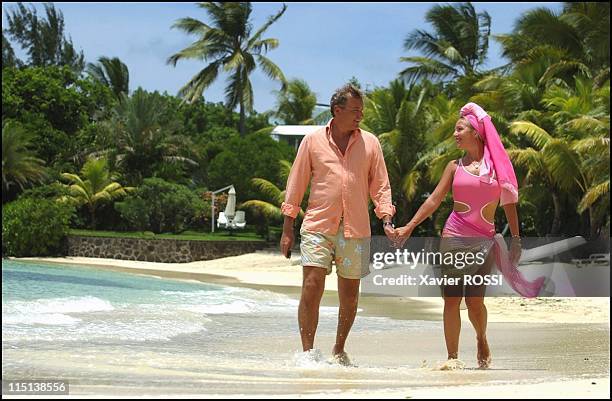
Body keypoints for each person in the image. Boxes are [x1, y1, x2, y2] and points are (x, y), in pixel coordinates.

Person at [394, 102, 544, 369]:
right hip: (453, 235)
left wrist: (517, 240)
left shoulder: (497, 168)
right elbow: (434, 201)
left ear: (475, 131)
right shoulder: (454, 166)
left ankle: (481, 337)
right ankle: (452, 359)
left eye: (459, 128)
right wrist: (410, 226)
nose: (455, 134)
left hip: (484, 241)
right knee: (451, 300)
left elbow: (509, 203)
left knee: (475, 301)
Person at [280, 84, 396, 365]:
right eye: (355, 110)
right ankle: (308, 353)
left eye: (362, 110)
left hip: (355, 229)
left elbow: (380, 185)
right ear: (337, 110)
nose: (360, 115)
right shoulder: (312, 141)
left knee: (350, 297)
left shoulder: (371, 142)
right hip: (318, 224)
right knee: (311, 284)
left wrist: (386, 218)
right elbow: (296, 184)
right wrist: (287, 229)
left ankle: (339, 347)